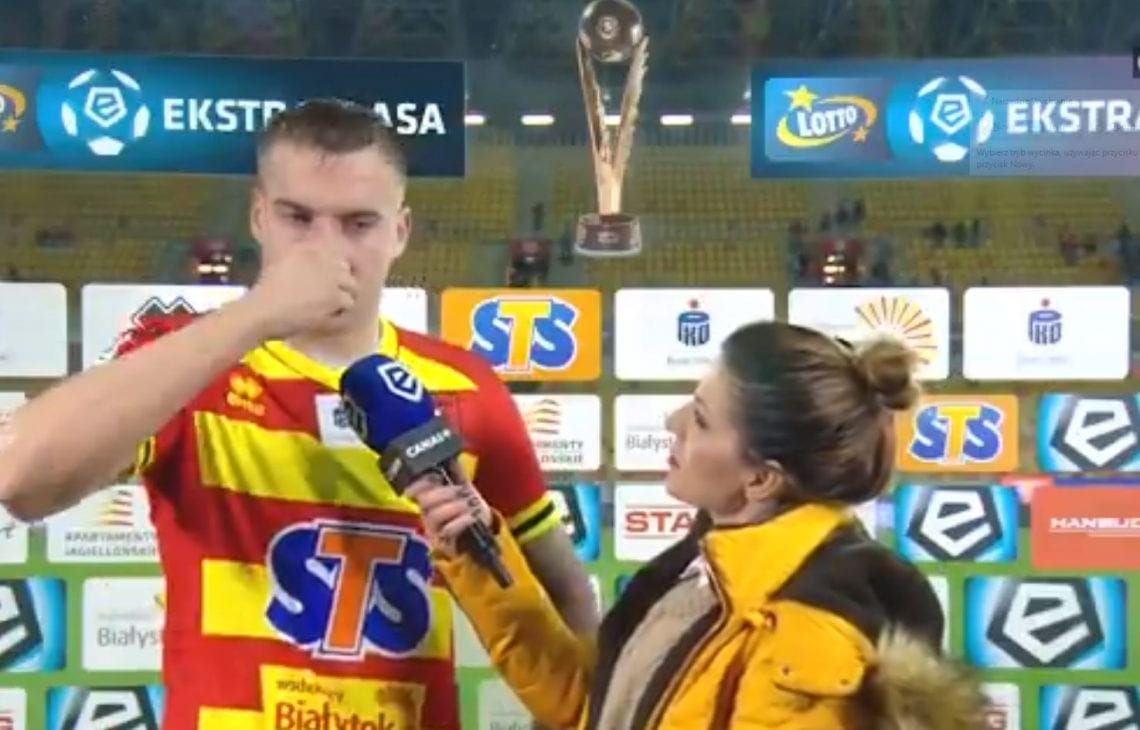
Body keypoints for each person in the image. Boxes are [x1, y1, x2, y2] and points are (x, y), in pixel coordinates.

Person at [0, 99, 597, 730]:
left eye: (358, 223)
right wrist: (259, 313)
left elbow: (565, 593)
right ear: (259, 216)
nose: (326, 250)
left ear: (400, 232)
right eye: (298, 218)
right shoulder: (186, 360)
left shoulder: (465, 387)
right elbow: (21, 478)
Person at [407, 321, 988, 729]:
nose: (673, 420)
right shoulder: (703, 573)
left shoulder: (806, 632)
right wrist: (477, 551)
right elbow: (590, 705)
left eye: (703, 419)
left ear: (761, 479)